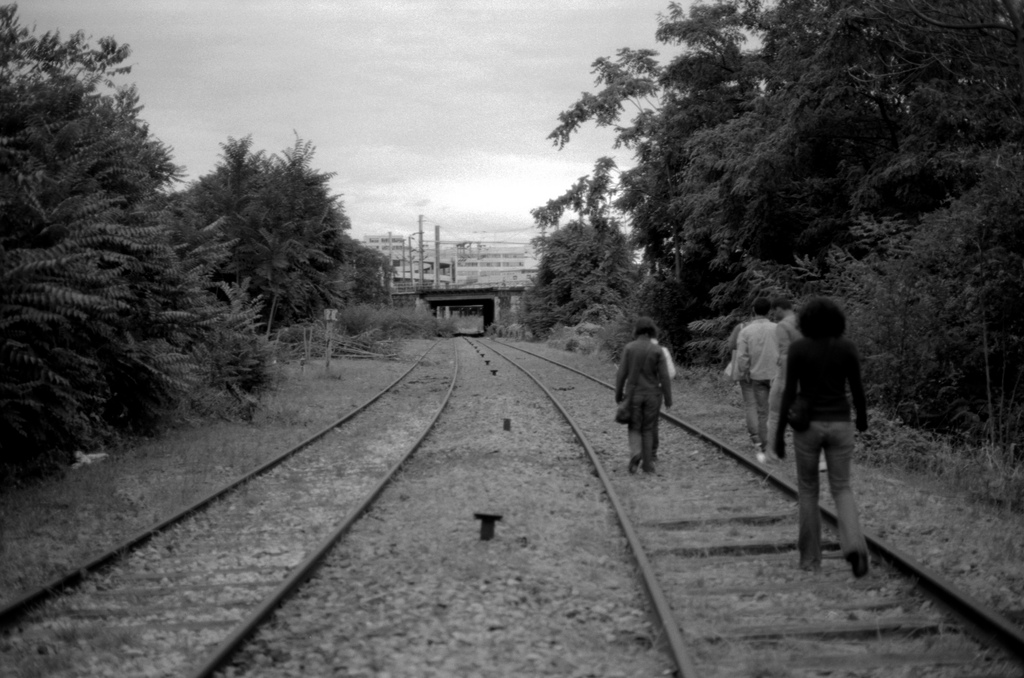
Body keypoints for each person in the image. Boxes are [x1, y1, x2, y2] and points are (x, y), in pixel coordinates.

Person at [775, 297, 869, 577]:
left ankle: (810, 561)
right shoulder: (847, 347)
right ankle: (855, 547)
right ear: (837, 320)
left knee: (808, 490)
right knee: (842, 487)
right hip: (840, 424)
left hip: (808, 427)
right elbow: (858, 389)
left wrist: (779, 435)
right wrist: (862, 420)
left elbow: (789, 393)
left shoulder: (799, 349)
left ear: (806, 322)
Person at [615, 317, 673, 474]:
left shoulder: (629, 348)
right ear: (652, 331)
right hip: (652, 396)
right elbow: (664, 377)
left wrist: (618, 394)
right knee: (648, 428)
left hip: (634, 395)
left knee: (634, 426)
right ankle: (647, 465)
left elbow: (621, 374)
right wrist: (668, 398)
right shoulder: (657, 350)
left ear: (637, 331)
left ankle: (635, 453)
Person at [736, 297, 779, 463]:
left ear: (753, 310)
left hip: (757, 376)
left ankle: (765, 447)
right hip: (776, 376)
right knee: (776, 412)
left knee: (762, 412)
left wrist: (744, 371)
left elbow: (742, 356)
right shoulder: (777, 329)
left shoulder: (746, 331)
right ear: (769, 311)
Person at [766, 298, 808, 463]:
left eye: (774, 311)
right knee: (805, 415)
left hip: (788, 376)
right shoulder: (804, 323)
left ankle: (773, 452)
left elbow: (785, 355)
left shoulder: (783, 326)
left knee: (775, 414)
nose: (773, 314)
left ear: (779, 309)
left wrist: (784, 382)